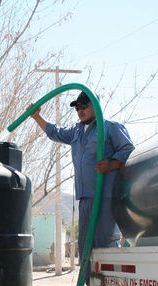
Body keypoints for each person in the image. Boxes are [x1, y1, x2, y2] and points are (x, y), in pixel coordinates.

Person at [30, 91, 134, 261]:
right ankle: (88, 278)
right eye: (77, 108)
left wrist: (111, 164)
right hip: (85, 198)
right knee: (86, 246)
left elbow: (128, 149)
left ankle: (106, 278)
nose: (80, 111)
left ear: (96, 106)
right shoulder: (76, 132)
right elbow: (54, 132)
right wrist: (37, 117)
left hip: (105, 196)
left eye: (84, 106)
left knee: (105, 244)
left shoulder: (110, 128)